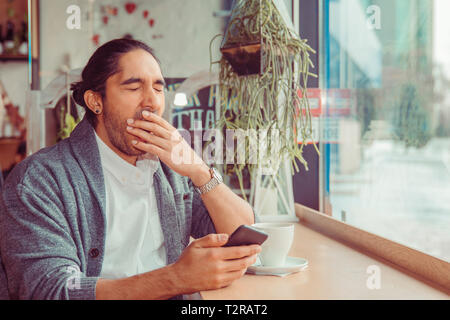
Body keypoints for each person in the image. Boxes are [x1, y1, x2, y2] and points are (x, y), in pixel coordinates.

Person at [0, 38, 260, 300]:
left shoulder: (173, 170)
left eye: (159, 89)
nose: (151, 102)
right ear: (95, 101)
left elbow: (241, 235)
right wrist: (177, 278)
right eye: (134, 87)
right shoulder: (40, 180)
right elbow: (51, 291)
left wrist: (198, 169)